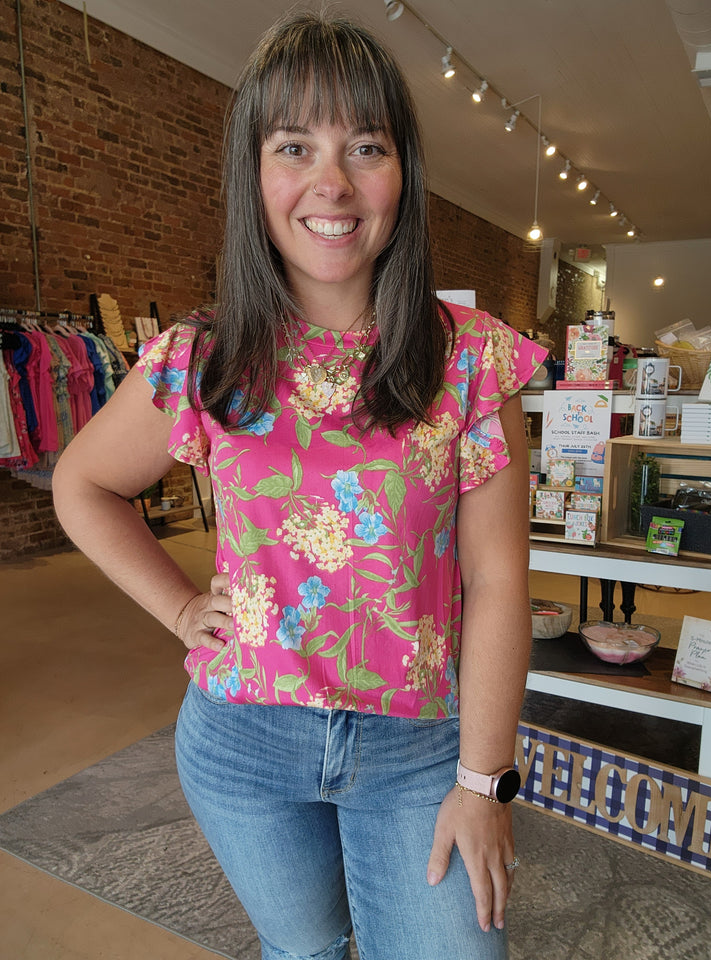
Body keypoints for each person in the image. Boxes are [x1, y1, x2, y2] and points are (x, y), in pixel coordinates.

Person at [53, 12, 547, 960]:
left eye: (365, 146)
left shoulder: (471, 360)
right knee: (306, 954)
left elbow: (496, 584)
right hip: (243, 745)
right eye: (295, 146)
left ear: (402, 171)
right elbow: (83, 484)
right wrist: (182, 606)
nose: (332, 183)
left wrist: (485, 781)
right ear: (257, 176)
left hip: (420, 750)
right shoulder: (202, 359)